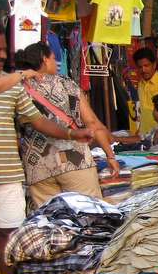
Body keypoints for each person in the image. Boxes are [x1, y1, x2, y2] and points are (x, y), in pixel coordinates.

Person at [0, 21, 91, 274]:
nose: (3, 55)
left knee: (8, 233)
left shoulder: (11, 85)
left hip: (7, 173)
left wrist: (71, 132)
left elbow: (37, 120)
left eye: (4, 49)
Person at [14, 42, 119, 207]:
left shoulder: (19, 87)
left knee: (50, 223)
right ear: (44, 59)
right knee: (90, 216)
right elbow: (91, 122)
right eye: (54, 58)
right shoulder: (66, 84)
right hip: (76, 162)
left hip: (39, 169)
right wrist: (110, 156)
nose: (56, 63)